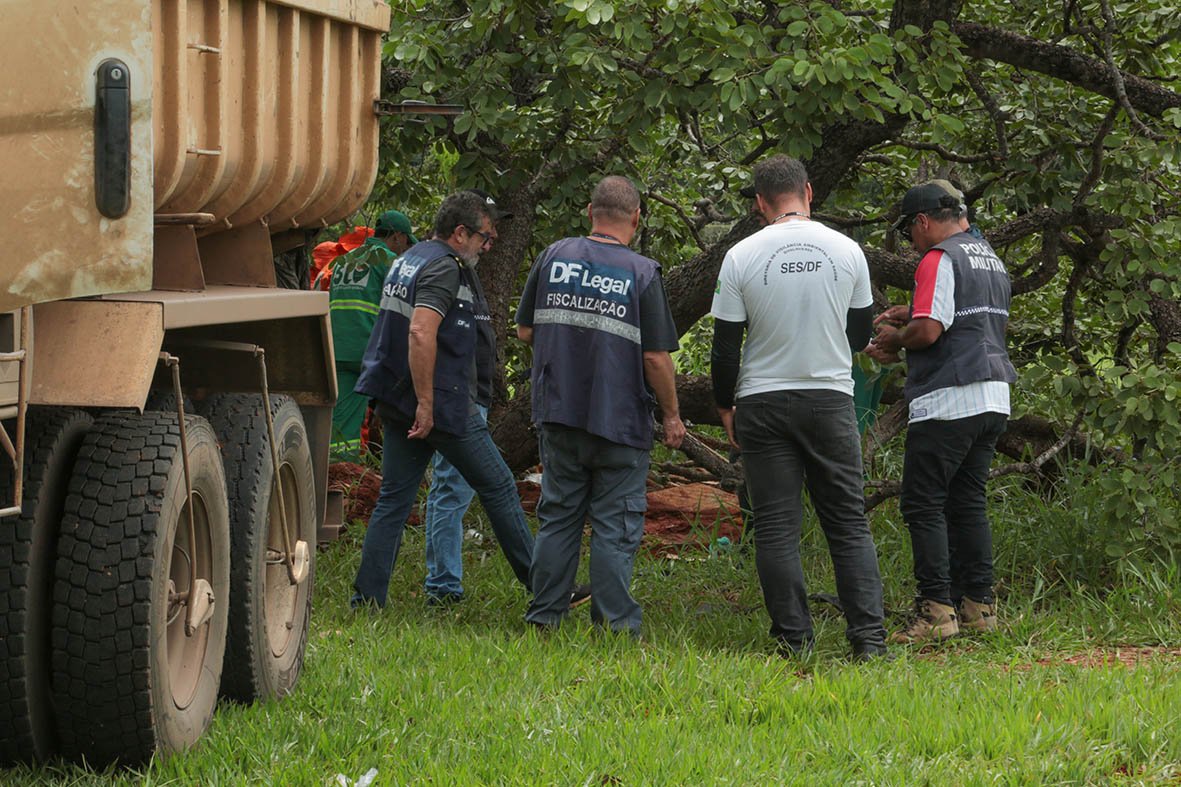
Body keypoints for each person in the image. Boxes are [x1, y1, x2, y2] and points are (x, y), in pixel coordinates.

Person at [710, 154, 888, 660]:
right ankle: (869, 642)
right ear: (809, 193)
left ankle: (795, 640)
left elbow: (725, 347)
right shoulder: (849, 251)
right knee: (848, 522)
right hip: (829, 398)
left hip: (763, 400)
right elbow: (859, 334)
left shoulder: (741, 255)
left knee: (775, 526)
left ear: (761, 203)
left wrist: (726, 405)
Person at [516, 175, 685, 636]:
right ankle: (615, 626)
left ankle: (544, 616)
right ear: (635, 218)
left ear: (590, 213)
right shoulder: (643, 273)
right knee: (616, 525)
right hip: (620, 421)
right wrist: (671, 415)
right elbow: (655, 357)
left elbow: (526, 331)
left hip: (559, 413)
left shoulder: (553, 257)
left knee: (558, 518)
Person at [350, 192, 534, 607]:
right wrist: (428, 404)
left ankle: (367, 599)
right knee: (500, 486)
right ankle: (546, 590)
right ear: (460, 233)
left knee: (394, 500)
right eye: (485, 237)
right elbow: (420, 331)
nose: (489, 245)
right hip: (441, 405)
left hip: (396, 398)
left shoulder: (409, 258)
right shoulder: (443, 267)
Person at [866, 180, 1016, 642]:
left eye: (909, 232)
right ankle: (979, 607)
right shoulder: (987, 255)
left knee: (923, 502)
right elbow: (965, 315)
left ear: (923, 222)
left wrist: (895, 339)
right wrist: (911, 310)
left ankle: (935, 612)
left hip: (949, 397)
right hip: (993, 395)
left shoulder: (939, 258)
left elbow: (930, 330)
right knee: (968, 501)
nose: (911, 243)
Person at [328, 211, 416, 460]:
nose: (405, 250)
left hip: (337, 347)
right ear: (398, 237)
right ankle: (398, 463)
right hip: (368, 349)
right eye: (407, 243)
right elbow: (402, 307)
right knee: (402, 407)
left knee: (344, 416)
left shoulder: (344, 261)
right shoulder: (389, 262)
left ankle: (338, 468)